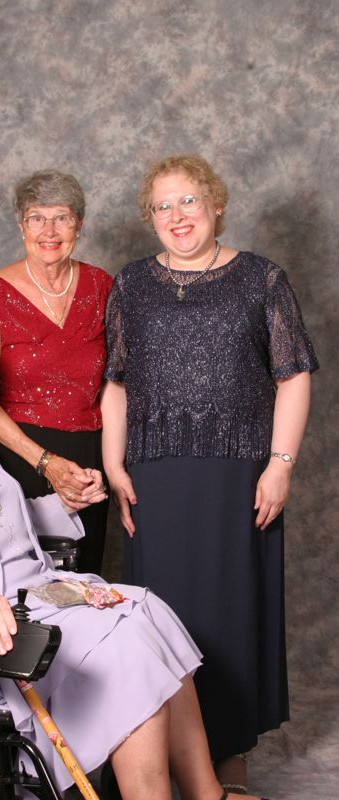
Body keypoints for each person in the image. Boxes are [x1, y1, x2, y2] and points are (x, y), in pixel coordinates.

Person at [0, 307, 268, 800]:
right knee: (126, 648)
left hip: (29, 591)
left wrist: (65, 502)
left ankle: (204, 792)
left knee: (147, 610)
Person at [101, 153, 318, 795]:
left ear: (216, 204)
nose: (177, 216)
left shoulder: (261, 279)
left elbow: (294, 375)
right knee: (163, 616)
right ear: (150, 219)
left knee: (229, 610)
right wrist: (113, 464)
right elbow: (115, 382)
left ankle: (227, 758)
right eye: (163, 206)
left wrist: (280, 466)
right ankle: (158, 759)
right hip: (156, 475)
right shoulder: (130, 284)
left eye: (189, 201)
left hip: (239, 473)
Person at [0, 170, 112, 574]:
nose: (49, 230)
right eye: (36, 217)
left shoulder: (103, 288)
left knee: (84, 586)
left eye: (61, 217)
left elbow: (118, 385)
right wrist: (46, 463)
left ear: (79, 224)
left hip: (88, 463)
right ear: (20, 225)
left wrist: (110, 467)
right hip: (14, 457)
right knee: (22, 588)